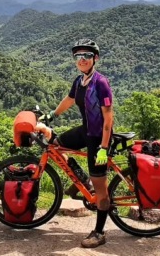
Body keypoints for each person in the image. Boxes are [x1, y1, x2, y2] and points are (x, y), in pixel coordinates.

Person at [44, 38, 114, 249]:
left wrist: (103, 148)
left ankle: (100, 232)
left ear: (95, 58)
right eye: (78, 56)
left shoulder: (101, 83)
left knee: (101, 190)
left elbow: (108, 118)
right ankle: (83, 181)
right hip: (85, 131)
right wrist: (52, 114)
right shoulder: (79, 81)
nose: (82, 59)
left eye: (87, 55)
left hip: (99, 138)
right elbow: (70, 99)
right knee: (55, 145)